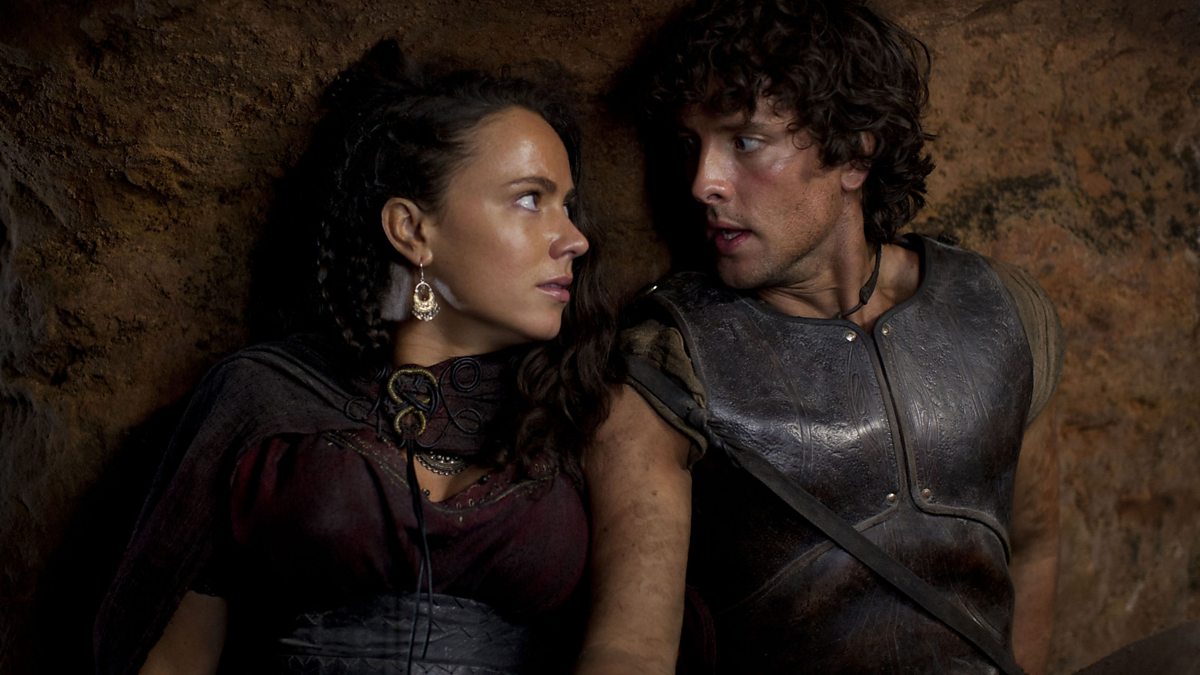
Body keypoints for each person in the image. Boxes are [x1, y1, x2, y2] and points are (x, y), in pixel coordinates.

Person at [94, 39, 614, 675]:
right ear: (411, 230)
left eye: (567, 206)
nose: (574, 238)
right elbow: (176, 662)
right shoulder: (265, 401)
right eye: (530, 198)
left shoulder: (582, 409)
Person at [576, 0, 1063, 673]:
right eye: (691, 145)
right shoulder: (668, 358)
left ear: (855, 153)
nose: (702, 183)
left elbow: (1034, 545)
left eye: (745, 142)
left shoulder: (1000, 310)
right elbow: (630, 649)